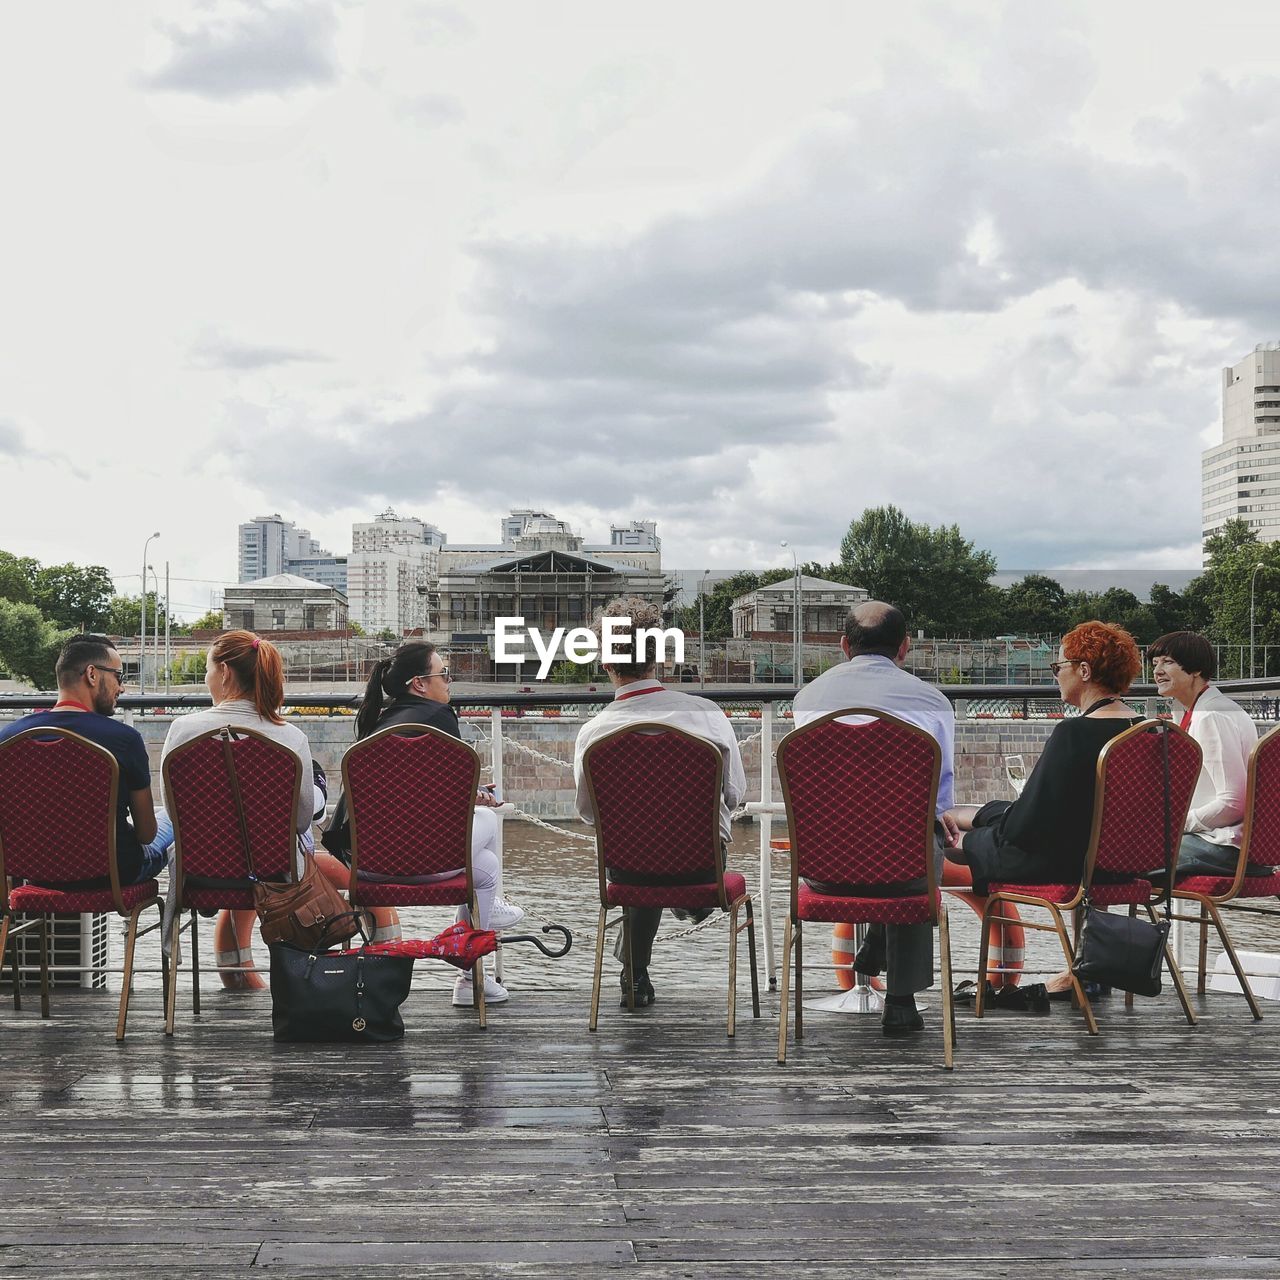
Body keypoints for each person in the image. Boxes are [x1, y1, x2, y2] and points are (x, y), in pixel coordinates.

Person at [321, 640, 525, 1007]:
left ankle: (470, 979)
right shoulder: (439, 719)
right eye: (444, 674)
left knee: (486, 868)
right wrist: (472, 798)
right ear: (419, 683)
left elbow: (407, 799)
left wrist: (467, 791)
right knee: (488, 820)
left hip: (370, 868)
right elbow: (432, 807)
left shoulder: (381, 725)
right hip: (429, 864)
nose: (449, 682)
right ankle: (472, 965)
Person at [946, 621, 1144, 998]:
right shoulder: (1149, 730)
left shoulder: (1073, 734)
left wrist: (982, 822)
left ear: (1084, 671)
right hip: (1126, 863)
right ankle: (1086, 969)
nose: (1055, 676)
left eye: (1059, 667)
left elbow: (1024, 829)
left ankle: (978, 983)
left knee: (967, 844)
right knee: (986, 826)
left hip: (1071, 866)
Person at [791, 601, 959, 1036]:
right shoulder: (932, 701)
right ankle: (901, 1000)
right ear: (905, 648)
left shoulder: (807, 699)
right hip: (906, 872)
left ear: (844, 645)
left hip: (823, 868)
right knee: (920, 852)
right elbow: (938, 794)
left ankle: (876, 946)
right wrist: (940, 818)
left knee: (905, 847)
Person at [573, 597, 746, 1010]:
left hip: (629, 864)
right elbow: (735, 795)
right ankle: (690, 898)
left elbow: (588, 814)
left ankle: (632, 975)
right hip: (702, 862)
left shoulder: (595, 733)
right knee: (668, 851)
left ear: (604, 663)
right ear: (659, 656)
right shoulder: (707, 715)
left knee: (638, 858)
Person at [160, 630, 333, 990]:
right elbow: (301, 821)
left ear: (223, 672)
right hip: (277, 877)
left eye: (208, 670)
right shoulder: (290, 737)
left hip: (199, 874)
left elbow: (176, 813)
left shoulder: (183, 730)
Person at [0, 633, 173, 887]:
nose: (122, 687)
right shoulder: (124, 739)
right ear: (92, 674)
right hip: (112, 875)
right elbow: (147, 834)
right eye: (119, 676)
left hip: (33, 874)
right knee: (170, 819)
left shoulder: (8, 739)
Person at [1149, 630, 1270, 877]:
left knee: (1117, 854)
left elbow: (1233, 803)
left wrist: (1176, 826)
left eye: (1168, 662)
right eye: (1155, 663)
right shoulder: (1202, 709)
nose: (1157, 671)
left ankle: (1093, 914)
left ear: (1196, 670)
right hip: (1224, 842)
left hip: (1222, 846)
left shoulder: (1211, 715)